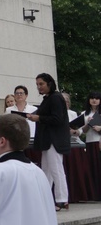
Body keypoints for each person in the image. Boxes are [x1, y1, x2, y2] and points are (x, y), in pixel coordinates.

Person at [27, 73, 71, 211]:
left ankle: (62, 199)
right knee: (47, 170)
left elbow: (57, 119)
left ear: (49, 84)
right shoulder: (49, 99)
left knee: (56, 169)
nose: (39, 87)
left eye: (41, 84)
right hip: (48, 139)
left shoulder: (56, 98)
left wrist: (38, 118)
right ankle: (46, 197)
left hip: (54, 139)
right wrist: (33, 116)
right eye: (37, 84)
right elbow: (43, 114)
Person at [79, 91, 101, 199]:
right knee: (92, 167)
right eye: (92, 98)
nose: (94, 100)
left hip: (99, 142)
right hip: (90, 142)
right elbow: (83, 130)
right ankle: (95, 194)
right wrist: (88, 123)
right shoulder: (84, 113)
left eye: (97, 98)